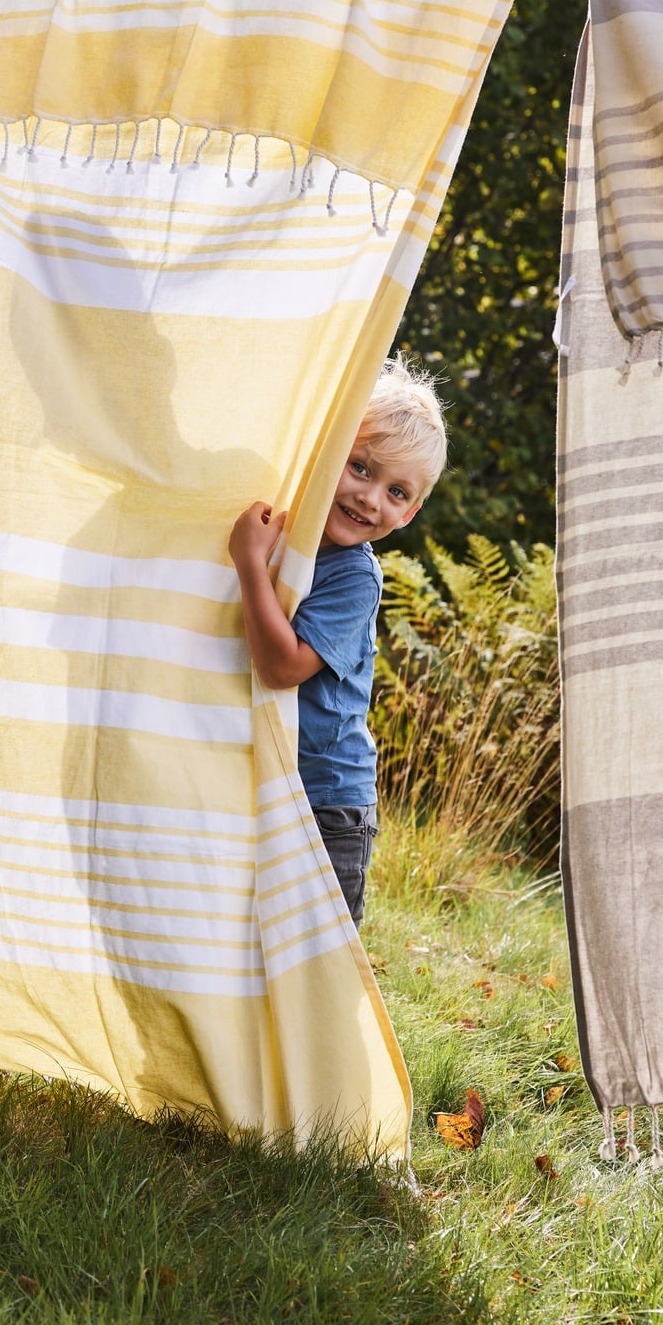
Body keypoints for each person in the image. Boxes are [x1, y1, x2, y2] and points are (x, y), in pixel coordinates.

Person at [228, 355, 447, 926]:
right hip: (267, 783)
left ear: (410, 514)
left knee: (319, 950)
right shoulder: (290, 539)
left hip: (328, 803)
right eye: (360, 468)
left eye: (396, 492)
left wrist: (249, 564)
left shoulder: (355, 576)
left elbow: (282, 668)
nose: (371, 498)